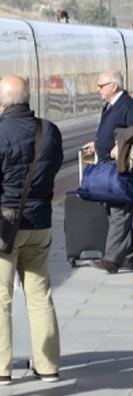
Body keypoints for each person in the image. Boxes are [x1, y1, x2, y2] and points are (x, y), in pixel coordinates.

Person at [0, 75, 63, 384]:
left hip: (3, 228)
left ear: (0, 102)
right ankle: (47, 366)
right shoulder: (49, 130)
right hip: (40, 222)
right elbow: (54, 166)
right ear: (27, 99)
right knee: (40, 296)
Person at [82, 70, 133, 273]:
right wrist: (97, 144)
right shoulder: (111, 105)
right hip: (109, 166)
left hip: (120, 168)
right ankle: (127, 256)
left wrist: (120, 147)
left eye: (101, 86)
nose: (98, 89)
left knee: (120, 212)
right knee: (114, 211)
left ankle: (111, 259)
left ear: (114, 86)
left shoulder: (127, 105)